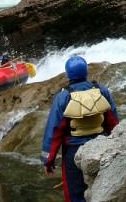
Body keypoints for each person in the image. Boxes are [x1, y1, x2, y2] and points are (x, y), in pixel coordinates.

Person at [42, 56, 119, 202]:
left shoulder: (63, 97)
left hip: (74, 153)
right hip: (102, 147)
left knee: (75, 195)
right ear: (86, 72)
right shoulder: (102, 91)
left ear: (68, 74)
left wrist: (48, 161)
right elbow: (113, 122)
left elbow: (54, 131)